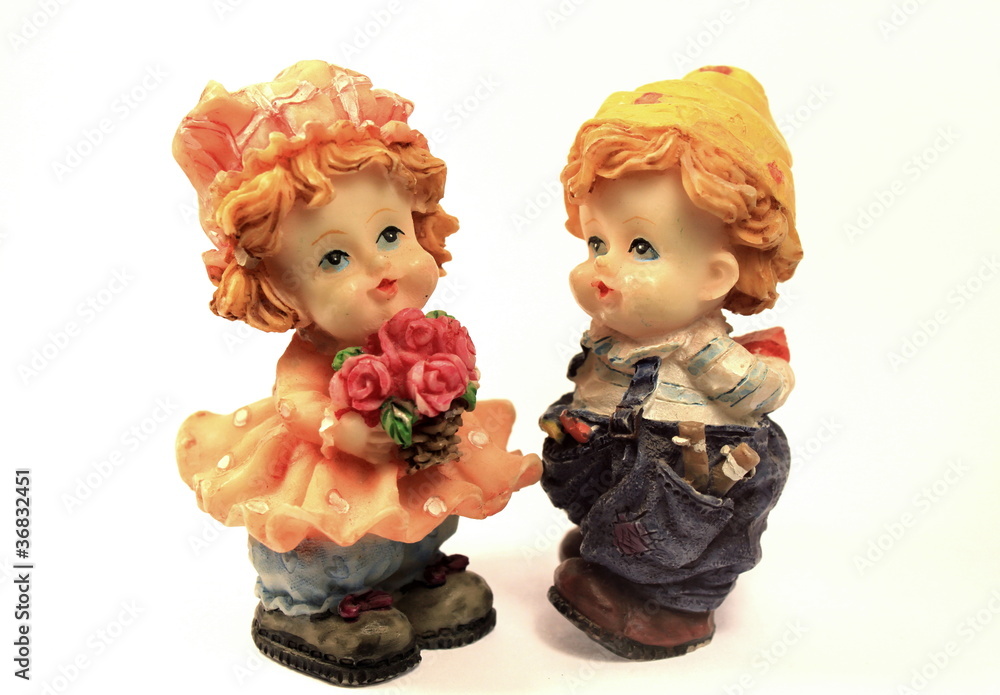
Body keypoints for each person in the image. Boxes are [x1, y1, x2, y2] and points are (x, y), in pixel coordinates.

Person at [173, 60, 540, 686]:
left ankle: (412, 576)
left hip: (408, 459)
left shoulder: (417, 331)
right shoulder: (313, 350)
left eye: (391, 234)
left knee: (424, 514)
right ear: (280, 287)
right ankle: (313, 607)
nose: (380, 267)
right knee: (333, 537)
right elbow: (293, 398)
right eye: (335, 257)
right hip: (334, 462)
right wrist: (338, 429)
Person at [540, 65, 803, 659]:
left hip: (694, 455)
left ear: (716, 275)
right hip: (621, 444)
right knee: (612, 493)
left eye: (641, 247)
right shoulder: (611, 336)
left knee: (682, 523)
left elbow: (761, 391)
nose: (601, 267)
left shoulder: (704, 349)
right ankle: (615, 554)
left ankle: (677, 603)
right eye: (596, 242)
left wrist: (714, 359)